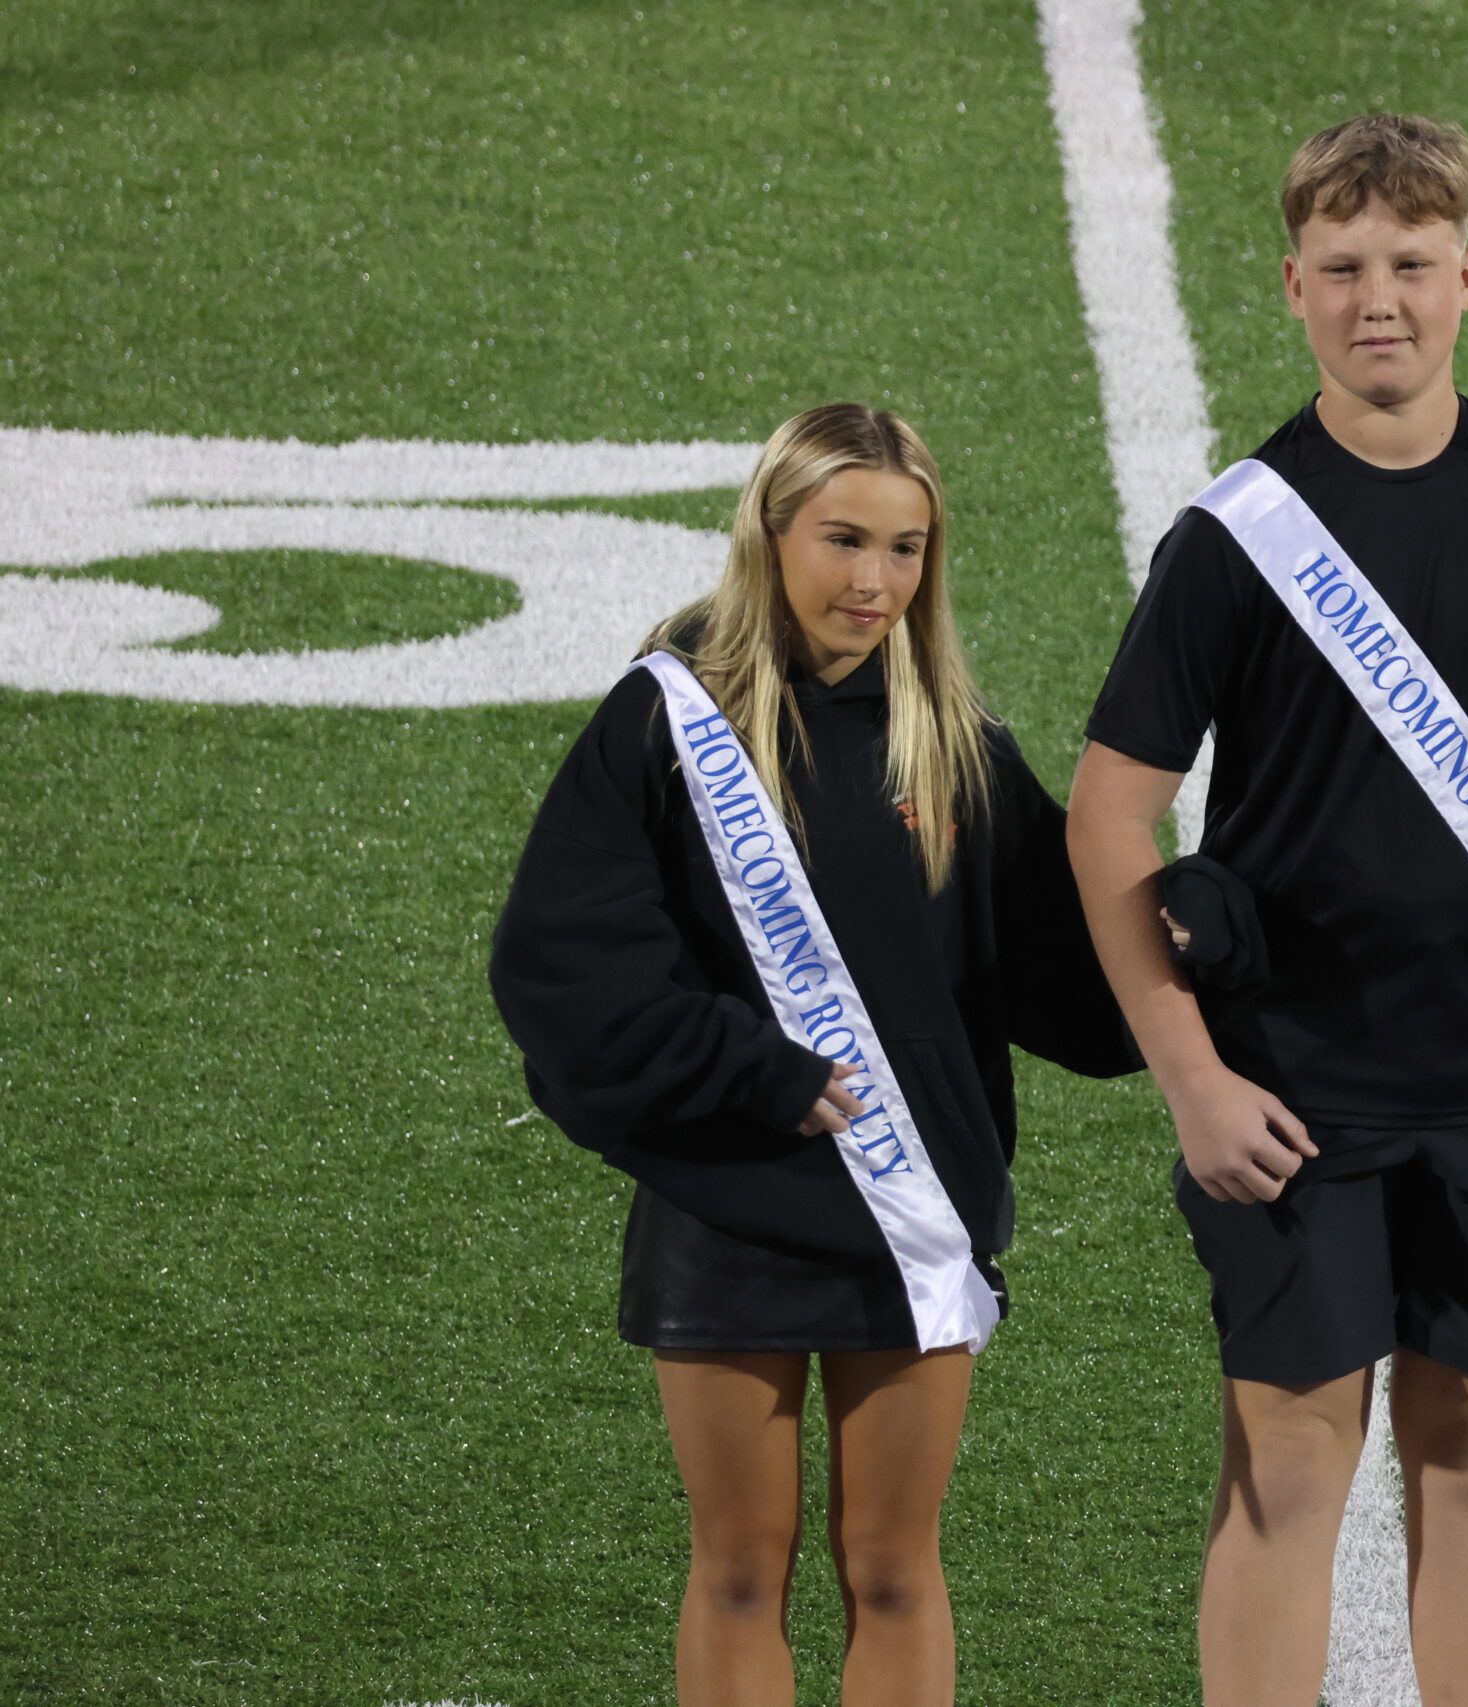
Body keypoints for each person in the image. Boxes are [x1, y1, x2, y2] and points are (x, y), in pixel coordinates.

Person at [1065, 115, 1468, 1706]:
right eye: (1343, 267)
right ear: (1293, 286)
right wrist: (1193, 1080)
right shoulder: (1236, 535)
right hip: (1295, 1087)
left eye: (1411, 265)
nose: (1379, 301)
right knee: (1287, 1467)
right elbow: (1107, 811)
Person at [489, 402, 1136, 1707]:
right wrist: (750, 1068)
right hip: (732, 1198)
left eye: (906, 548)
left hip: (910, 1209)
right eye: (844, 539)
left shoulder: (952, 740)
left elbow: (1071, 981)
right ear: (770, 533)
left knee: (894, 1567)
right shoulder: (666, 721)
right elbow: (564, 963)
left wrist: (1200, 927)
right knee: (739, 1566)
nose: (874, 581)